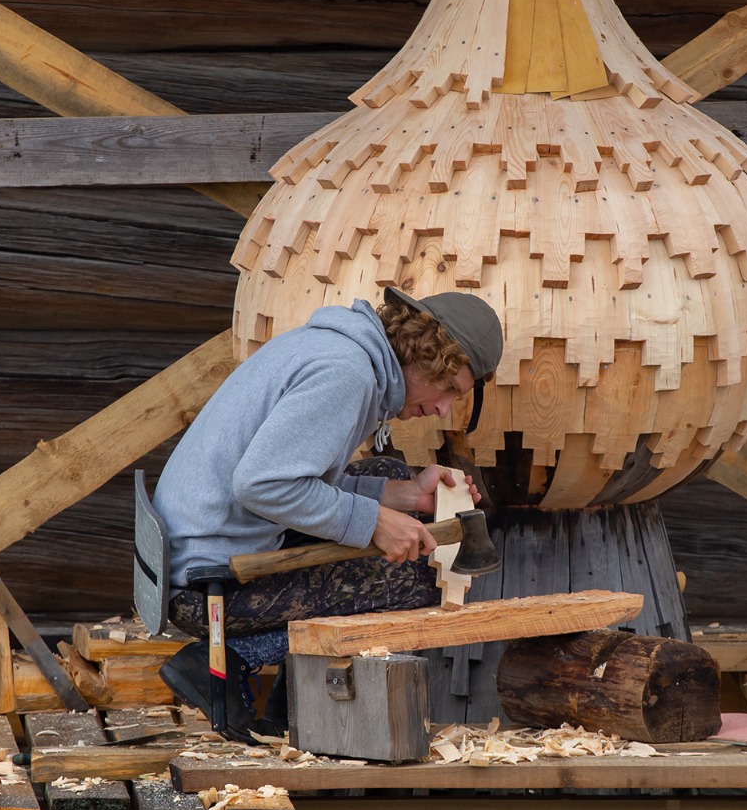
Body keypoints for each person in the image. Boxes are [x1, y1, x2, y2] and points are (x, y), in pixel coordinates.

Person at [150, 286, 504, 741]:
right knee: (416, 578)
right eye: (449, 389)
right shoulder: (346, 374)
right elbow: (263, 485)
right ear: (426, 354)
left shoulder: (341, 347)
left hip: (202, 552)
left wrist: (406, 495)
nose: (442, 408)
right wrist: (374, 522)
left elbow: (300, 477)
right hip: (209, 588)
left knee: (386, 470)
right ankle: (227, 655)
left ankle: (286, 697)